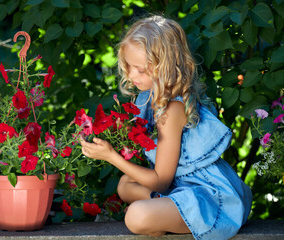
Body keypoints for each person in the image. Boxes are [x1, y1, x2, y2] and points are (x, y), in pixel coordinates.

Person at [80, 15, 252, 240]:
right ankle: (165, 213)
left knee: (136, 216)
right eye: (129, 66)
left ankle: (163, 215)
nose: (131, 76)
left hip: (209, 196)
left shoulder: (172, 109)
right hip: (179, 187)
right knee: (124, 185)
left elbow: (160, 180)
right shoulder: (149, 98)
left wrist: (111, 156)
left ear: (166, 67)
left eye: (140, 70)